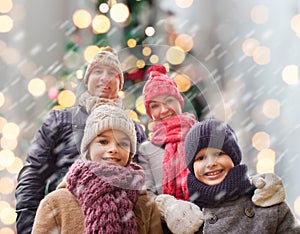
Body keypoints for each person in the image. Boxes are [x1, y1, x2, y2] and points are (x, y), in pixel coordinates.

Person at [138, 64, 288, 234]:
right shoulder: (146, 150)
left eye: (169, 101)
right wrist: (169, 207)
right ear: (149, 112)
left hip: (214, 216)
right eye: (155, 106)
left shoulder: (201, 133)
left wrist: (257, 186)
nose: (164, 110)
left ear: (179, 101)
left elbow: (232, 169)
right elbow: (146, 196)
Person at [15, 47, 147, 233]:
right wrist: (30, 227)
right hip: (67, 221)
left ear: (120, 83)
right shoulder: (60, 121)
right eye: (98, 71)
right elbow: (33, 174)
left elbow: (146, 186)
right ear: (87, 80)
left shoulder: (134, 130)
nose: (104, 78)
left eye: (112, 73)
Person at [31, 105, 163, 233]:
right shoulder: (56, 203)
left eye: (122, 143)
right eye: (104, 142)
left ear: (130, 154)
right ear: (88, 149)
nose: (113, 149)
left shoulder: (145, 205)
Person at [184, 119, 300, 233]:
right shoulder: (186, 217)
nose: (210, 163)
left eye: (219, 154)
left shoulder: (267, 203)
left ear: (234, 158)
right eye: (201, 158)